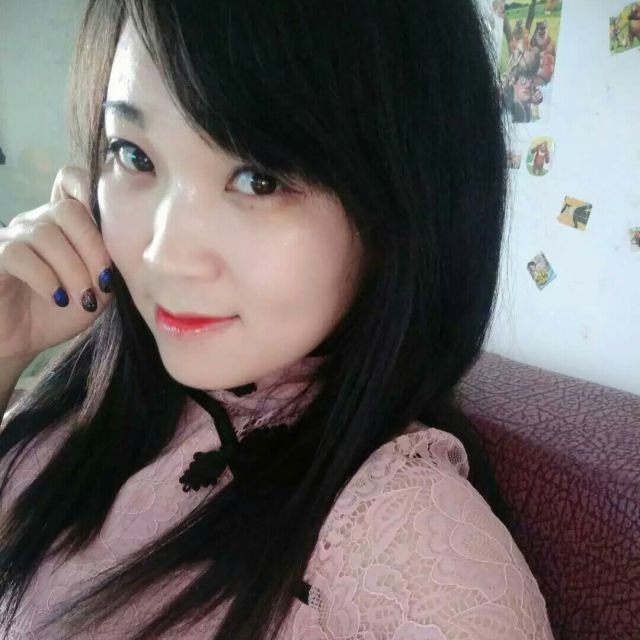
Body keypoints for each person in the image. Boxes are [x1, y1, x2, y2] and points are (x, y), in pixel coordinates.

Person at [0, 1, 555, 638]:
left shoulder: (422, 565)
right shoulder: (94, 382)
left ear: (407, 203)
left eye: (258, 179)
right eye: (134, 155)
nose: (161, 254)